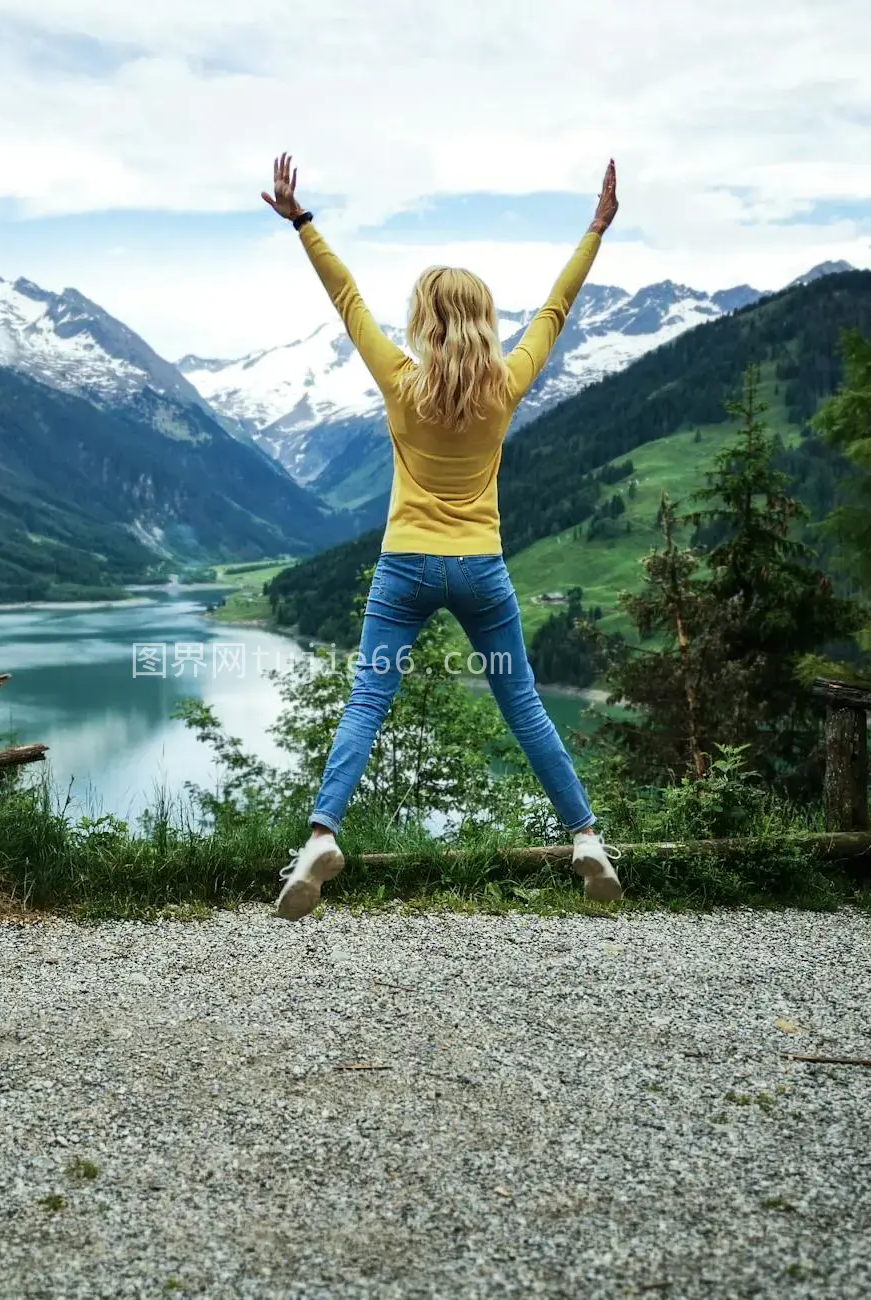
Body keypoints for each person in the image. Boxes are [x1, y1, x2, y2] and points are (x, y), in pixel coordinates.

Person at [260, 152, 625, 921]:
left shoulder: (399, 379)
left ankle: (322, 835)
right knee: (524, 705)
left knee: (366, 701)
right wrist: (594, 229)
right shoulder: (507, 381)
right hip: (481, 571)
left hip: (404, 568)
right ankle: (586, 839)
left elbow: (345, 296)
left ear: (424, 319)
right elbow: (557, 307)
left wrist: (302, 221)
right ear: (486, 320)